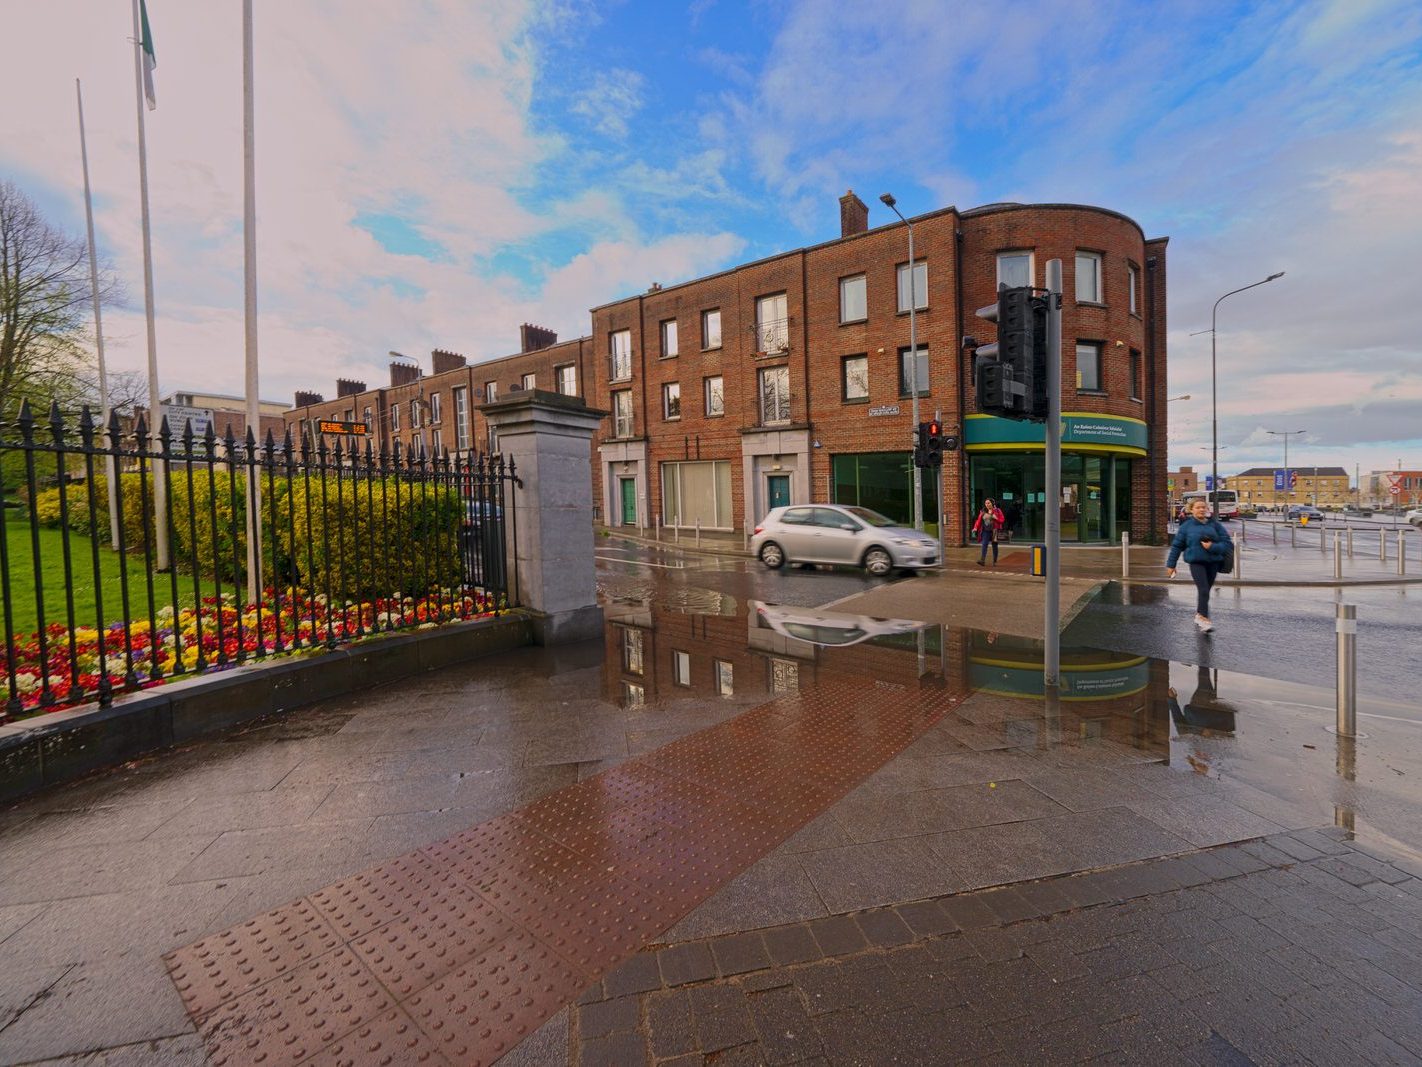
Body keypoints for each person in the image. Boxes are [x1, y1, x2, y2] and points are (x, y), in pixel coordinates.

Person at [1165, 497, 1233, 632]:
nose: (1201, 509)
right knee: (1203, 589)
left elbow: (1227, 544)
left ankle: (1198, 614)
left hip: (1213, 562)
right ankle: (1203, 618)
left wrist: (1212, 547)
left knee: (1206, 591)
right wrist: (1171, 565)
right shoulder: (1186, 527)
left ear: (1207, 509)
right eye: (1198, 507)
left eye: (1204, 507)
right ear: (1192, 510)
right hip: (1196, 562)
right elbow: (1177, 546)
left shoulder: (1215, 525)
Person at [972, 498, 1006, 566]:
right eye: (986, 503)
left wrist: (996, 518)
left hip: (994, 530)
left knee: (994, 546)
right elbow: (978, 521)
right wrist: (975, 528)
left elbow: (1002, 520)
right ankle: (982, 560)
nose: (987, 504)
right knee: (984, 544)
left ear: (992, 503)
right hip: (985, 530)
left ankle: (995, 561)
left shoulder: (997, 510)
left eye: (988, 503)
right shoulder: (983, 511)